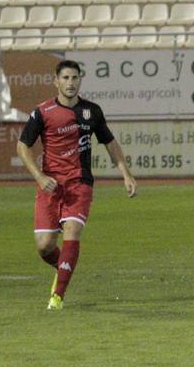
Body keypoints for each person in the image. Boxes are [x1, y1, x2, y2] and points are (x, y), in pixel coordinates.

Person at [15, 59, 137, 310]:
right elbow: (22, 146)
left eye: (75, 78)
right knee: (44, 246)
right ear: (56, 81)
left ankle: (57, 297)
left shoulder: (92, 111)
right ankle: (64, 268)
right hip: (49, 185)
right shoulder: (43, 112)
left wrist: (126, 174)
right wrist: (39, 176)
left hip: (79, 184)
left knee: (72, 231)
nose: (71, 83)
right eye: (66, 78)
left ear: (80, 80)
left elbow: (110, 143)